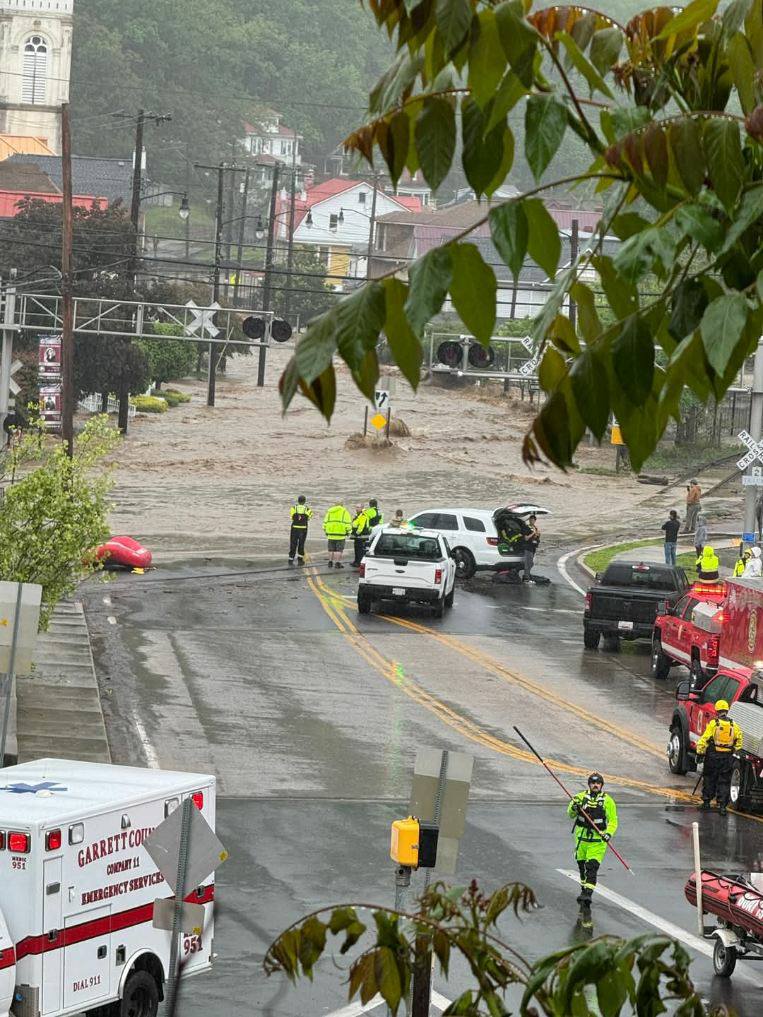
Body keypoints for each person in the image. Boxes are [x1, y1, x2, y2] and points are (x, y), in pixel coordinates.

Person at [567, 773, 618, 907]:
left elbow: (613, 821)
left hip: (597, 841)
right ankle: (583, 888)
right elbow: (570, 814)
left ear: (601, 785)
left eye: (598, 783)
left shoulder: (608, 801)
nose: (595, 785)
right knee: (582, 865)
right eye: (593, 783)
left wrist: (608, 834)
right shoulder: (579, 797)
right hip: (581, 839)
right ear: (589, 784)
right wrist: (574, 807)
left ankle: (588, 893)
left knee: (592, 867)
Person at [696, 701, 743, 815]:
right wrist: (733, 751)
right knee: (724, 781)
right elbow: (739, 743)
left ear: (717, 711)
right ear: (727, 710)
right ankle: (722, 807)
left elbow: (704, 740)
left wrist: (700, 753)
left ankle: (706, 802)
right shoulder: (734, 726)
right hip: (726, 758)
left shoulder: (714, 724)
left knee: (709, 778)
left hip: (712, 757)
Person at [323, 502, 352, 569]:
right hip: (341, 534)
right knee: (339, 550)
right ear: (342, 505)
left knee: (331, 549)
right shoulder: (345, 512)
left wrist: (325, 530)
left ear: (335, 505)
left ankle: (330, 562)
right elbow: (348, 523)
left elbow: (325, 522)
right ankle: (337, 563)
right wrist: (348, 532)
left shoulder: (329, 511)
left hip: (330, 534)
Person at [288, 495, 313, 566]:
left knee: (293, 543)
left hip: (294, 528)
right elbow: (309, 517)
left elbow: (291, 517)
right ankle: (300, 559)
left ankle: (291, 559)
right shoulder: (307, 509)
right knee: (301, 543)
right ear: (304, 501)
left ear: (298, 501)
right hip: (303, 528)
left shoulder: (293, 508)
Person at [523, 514, 541, 583]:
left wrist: (537, 534)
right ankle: (526, 578)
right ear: (529, 520)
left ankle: (527, 575)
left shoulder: (535, 528)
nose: (532, 521)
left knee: (531, 563)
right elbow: (526, 538)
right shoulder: (526, 527)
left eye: (533, 520)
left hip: (533, 547)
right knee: (528, 562)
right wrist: (533, 533)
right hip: (528, 547)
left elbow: (537, 538)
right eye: (531, 519)